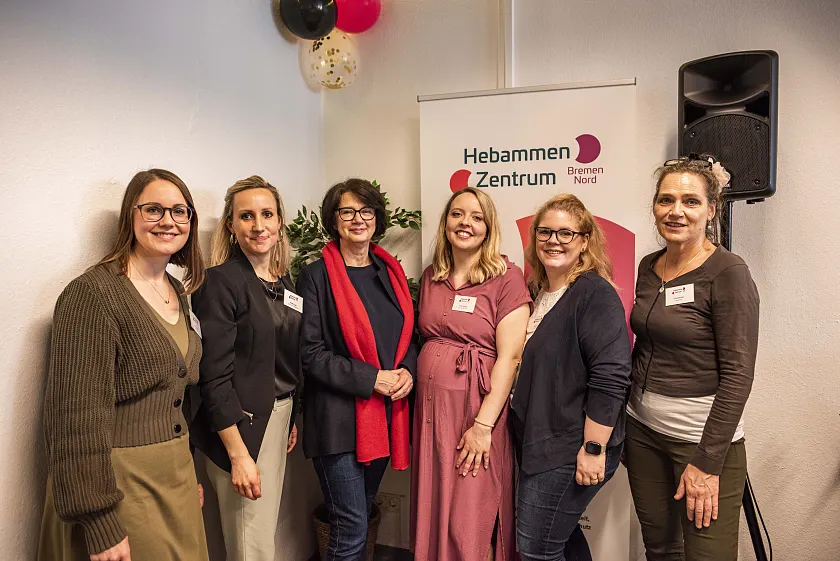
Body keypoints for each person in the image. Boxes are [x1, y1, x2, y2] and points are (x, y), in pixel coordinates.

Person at [38, 169, 208, 561]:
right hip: (120, 486)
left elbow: (175, 399)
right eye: (154, 209)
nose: (169, 221)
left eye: (180, 212)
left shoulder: (178, 291)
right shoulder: (93, 295)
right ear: (130, 218)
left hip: (174, 477)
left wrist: (187, 470)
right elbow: (73, 418)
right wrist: (100, 522)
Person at [625, 154, 760, 560]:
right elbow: (647, 343)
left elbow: (739, 375)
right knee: (662, 552)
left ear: (711, 209)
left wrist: (707, 461)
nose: (676, 211)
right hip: (642, 431)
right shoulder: (649, 266)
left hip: (700, 442)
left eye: (690, 201)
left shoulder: (728, 272)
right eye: (666, 200)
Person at [297, 178, 418, 561]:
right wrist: (373, 379)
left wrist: (408, 372)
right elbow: (311, 353)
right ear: (334, 220)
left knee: (361, 516)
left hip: (382, 417)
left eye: (366, 211)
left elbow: (410, 337)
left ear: (377, 218)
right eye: (346, 211)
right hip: (336, 421)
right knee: (350, 528)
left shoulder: (391, 272)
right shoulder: (315, 276)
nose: (357, 219)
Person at [411, 187, 531, 561]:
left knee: (471, 510)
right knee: (434, 503)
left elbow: (510, 358)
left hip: (476, 412)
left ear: (489, 227)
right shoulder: (432, 275)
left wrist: (483, 425)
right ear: (446, 221)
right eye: (457, 214)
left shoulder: (507, 277)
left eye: (477, 217)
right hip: (430, 415)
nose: (466, 223)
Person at [511, 194, 631, 561]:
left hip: (571, 445)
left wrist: (593, 449)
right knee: (558, 539)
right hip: (542, 440)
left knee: (535, 550)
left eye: (566, 233)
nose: (553, 241)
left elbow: (611, 377)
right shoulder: (538, 291)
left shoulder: (594, 293)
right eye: (545, 232)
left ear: (584, 241)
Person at [189, 176, 301, 561]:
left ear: (280, 221)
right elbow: (213, 377)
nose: (259, 225)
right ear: (231, 227)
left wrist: (290, 414)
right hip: (241, 427)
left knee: (260, 536)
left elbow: (282, 357)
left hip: (277, 418)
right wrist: (238, 455)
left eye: (267, 214)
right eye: (247, 216)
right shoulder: (220, 283)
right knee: (250, 547)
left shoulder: (283, 283)